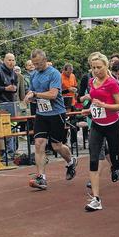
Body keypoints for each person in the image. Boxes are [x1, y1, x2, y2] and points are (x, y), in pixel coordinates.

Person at [81, 52, 119, 211]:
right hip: (97, 125)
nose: (96, 70)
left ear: (106, 66)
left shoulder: (112, 83)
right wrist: (90, 110)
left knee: (116, 163)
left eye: (99, 67)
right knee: (93, 159)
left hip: (113, 126)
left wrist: (104, 106)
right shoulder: (92, 82)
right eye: (93, 67)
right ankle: (96, 198)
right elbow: (95, 102)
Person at [24, 49, 78, 190]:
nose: (36, 66)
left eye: (38, 63)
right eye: (34, 64)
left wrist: (36, 94)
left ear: (45, 60)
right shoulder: (34, 75)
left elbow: (53, 94)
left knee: (56, 146)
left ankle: (71, 161)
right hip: (42, 114)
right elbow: (31, 91)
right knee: (39, 144)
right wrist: (29, 96)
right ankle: (41, 178)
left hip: (56, 114)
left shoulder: (53, 73)